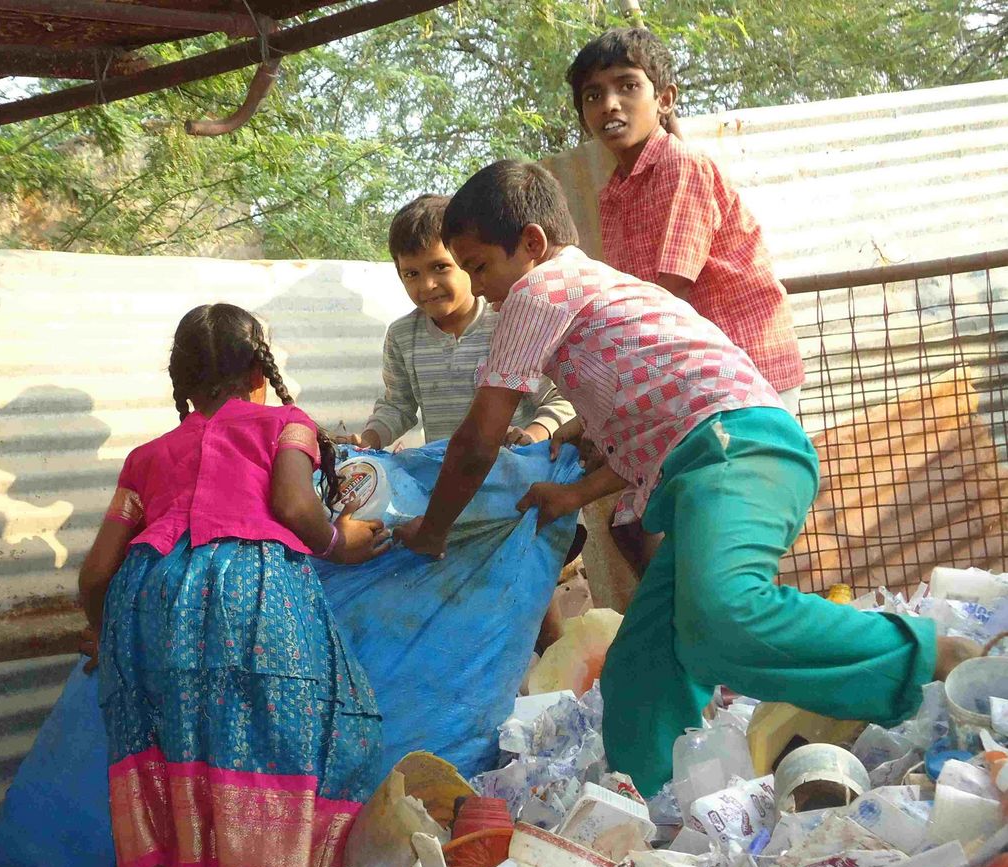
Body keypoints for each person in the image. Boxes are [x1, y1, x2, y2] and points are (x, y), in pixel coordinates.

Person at [393, 159, 972, 797]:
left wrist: (433, 529)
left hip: (738, 448)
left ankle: (930, 657)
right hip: (709, 458)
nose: (481, 288)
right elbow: (649, 427)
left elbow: (477, 439)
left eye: (478, 267)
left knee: (726, 613)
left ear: (531, 244)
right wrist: (576, 494)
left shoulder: (540, 289)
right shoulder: (592, 298)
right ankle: (654, 808)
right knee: (646, 671)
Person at [76, 303, 388, 867]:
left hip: (149, 606)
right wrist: (341, 544)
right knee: (277, 752)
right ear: (257, 372)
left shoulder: (145, 458)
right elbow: (298, 508)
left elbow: (94, 574)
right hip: (254, 598)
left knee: (164, 771)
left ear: (182, 382)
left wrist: (101, 635)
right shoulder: (285, 425)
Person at [567, 27, 805, 412]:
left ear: (664, 99)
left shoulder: (682, 166)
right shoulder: (613, 193)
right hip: (698, 372)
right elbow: (633, 296)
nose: (609, 104)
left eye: (627, 87)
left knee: (742, 472)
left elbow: (669, 290)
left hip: (748, 370)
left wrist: (611, 382)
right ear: (583, 116)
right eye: (593, 95)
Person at [343, 194, 574, 451]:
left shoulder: (511, 323)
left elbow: (559, 400)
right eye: (411, 274)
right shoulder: (402, 336)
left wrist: (533, 435)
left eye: (440, 267)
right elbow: (397, 407)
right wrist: (369, 440)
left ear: (469, 262)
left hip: (516, 467)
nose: (427, 285)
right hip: (448, 474)